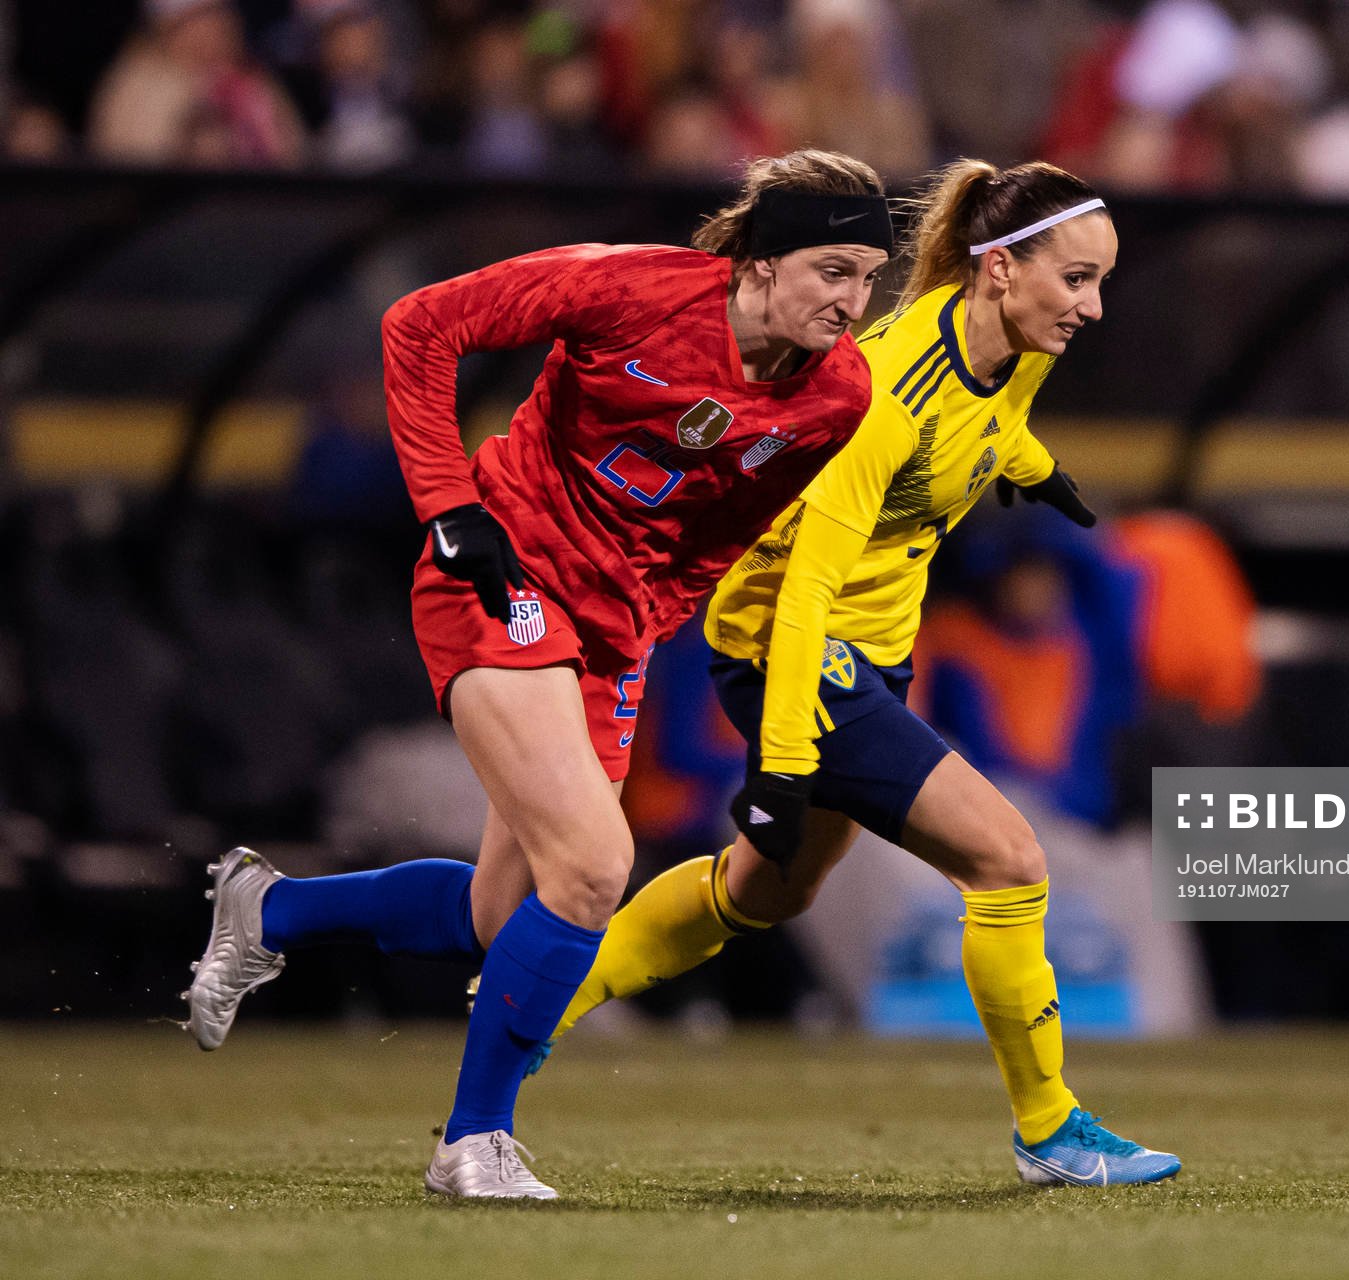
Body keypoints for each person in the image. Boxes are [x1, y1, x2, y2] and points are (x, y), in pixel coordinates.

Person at [182, 149, 895, 1201]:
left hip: (612, 629)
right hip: (503, 574)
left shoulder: (838, 397)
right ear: (757, 261)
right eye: (832, 268)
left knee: (501, 908)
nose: (854, 298)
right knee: (599, 863)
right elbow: (420, 324)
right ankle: (473, 1143)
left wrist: (648, 618)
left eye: (869, 275)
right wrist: (448, 506)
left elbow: (719, 537)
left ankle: (269, 912)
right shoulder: (631, 287)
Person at [546, 159, 1181, 1186]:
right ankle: (1051, 1128)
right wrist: (784, 764)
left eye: (1100, 279)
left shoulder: (1020, 343)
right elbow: (800, 592)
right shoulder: (879, 394)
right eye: (1074, 279)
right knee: (1010, 861)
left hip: (871, 656)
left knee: (759, 897)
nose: (1092, 305)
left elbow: (990, 420)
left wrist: (1033, 468)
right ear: (997, 269)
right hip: (788, 649)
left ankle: (537, 995)